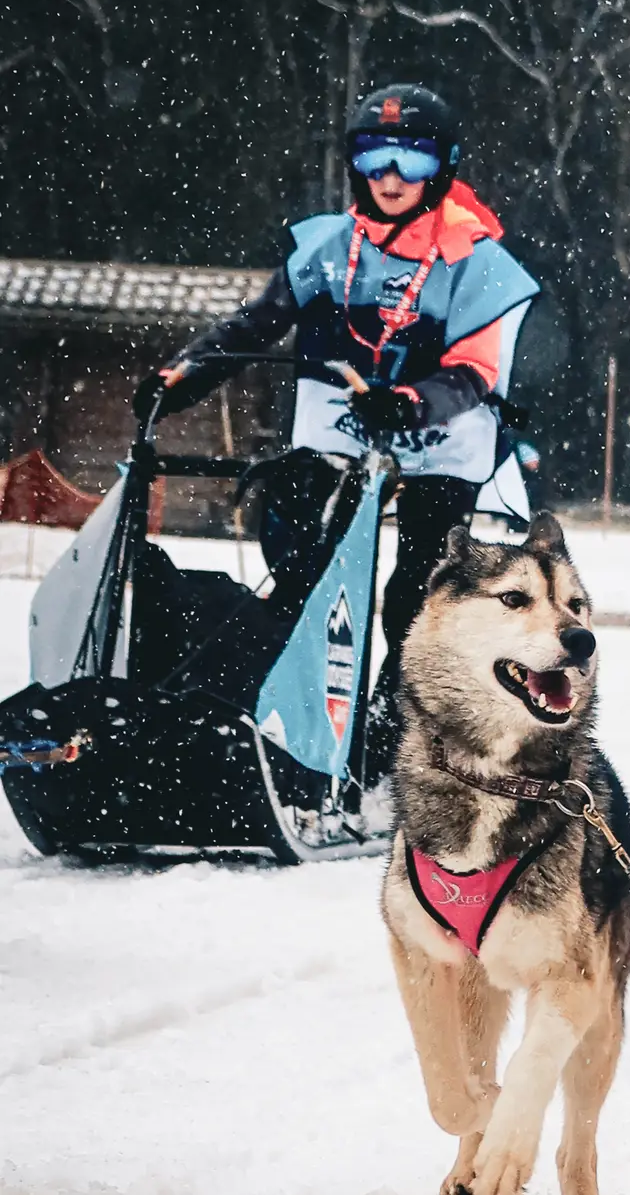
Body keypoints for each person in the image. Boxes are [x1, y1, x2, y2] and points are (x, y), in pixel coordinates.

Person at [135, 81, 540, 762]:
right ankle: (286, 709)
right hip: (342, 433)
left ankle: (396, 733)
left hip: (440, 439)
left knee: (416, 592)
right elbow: (254, 325)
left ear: (442, 165)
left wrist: (410, 402)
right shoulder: (328, 245)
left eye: (411, 159)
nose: (390, 177)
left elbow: (474, 371)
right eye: (374, 156)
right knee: (304, 567)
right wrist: (182, 377)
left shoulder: (475, 258)